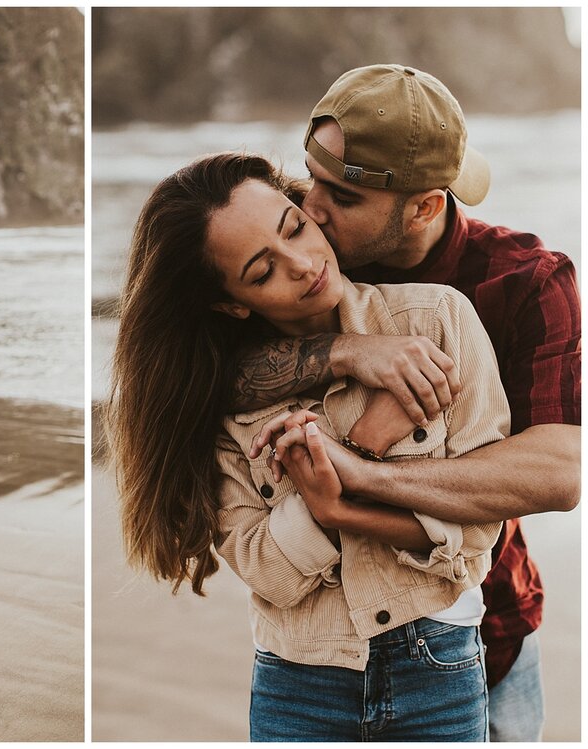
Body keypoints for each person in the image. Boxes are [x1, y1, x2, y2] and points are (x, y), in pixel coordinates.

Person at [110, 151, 509, 740]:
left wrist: (339, 502)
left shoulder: (436, 320)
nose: (302, 264)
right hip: (298, 685)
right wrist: (349, 470)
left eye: (294, 226)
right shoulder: (219, 396)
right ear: (231, 303)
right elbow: (266, 571)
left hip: (439, 668)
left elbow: (477, 538)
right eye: (261, 271)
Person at [233, 64, 580, 741]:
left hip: (485, 627)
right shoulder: (305, 256)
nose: (311, 210)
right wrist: (344, 352)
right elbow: (200, 370)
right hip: (318, 653)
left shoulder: (526, 282)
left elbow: (557, 471)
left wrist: (360, 471)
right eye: (310, 178)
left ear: (423, 206)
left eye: (341, 195)